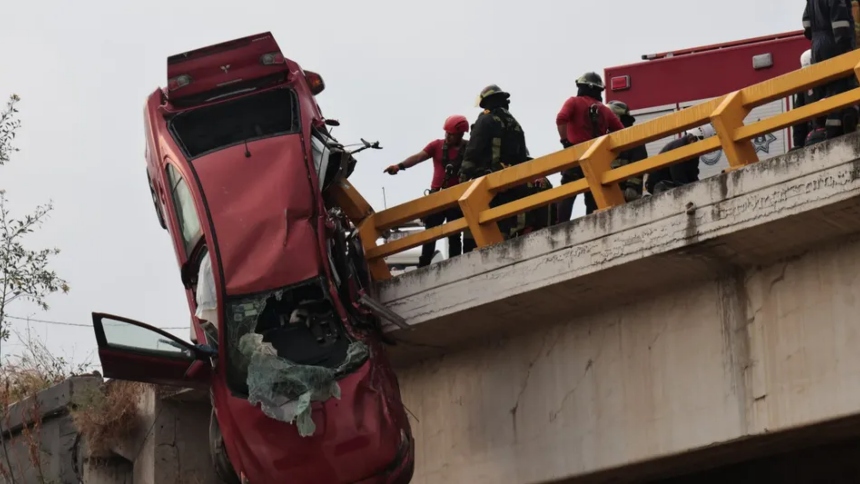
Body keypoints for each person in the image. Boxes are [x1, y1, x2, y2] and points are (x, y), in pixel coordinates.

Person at [384, 115, 470, 266]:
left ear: (461, 134)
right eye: (446, 133)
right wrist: (399, 166)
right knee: (430, 233)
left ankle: (456, 264)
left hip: (456, 199)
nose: (447, 136)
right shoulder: (436, 146)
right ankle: (424, 264)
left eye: (451, 134)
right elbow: (418, 157)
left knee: (455, 234)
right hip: (436, 196)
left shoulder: (469, 149)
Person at [458, 84, 533, 242]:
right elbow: (523, 156)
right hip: (513, 183)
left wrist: (464, 179)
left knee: (479, 227)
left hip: (489, 183)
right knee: (506, 225)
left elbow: (473, 151)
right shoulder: (515, 124)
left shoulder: (486, 119)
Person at [555, 72, 625, 222]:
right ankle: (593, 223)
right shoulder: (605, 110)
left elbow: (561, 119)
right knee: (593, 194)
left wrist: (565, 142)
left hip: (575, 156)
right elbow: (621, 132)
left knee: (568, 192)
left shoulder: (573, 102)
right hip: (596, 158)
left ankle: (559, 226)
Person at [803, 0, 858, 140]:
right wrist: (846, 48)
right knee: (841, 90)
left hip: (817, 46)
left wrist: (817, 38)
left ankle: (828, 132)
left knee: (827, 93)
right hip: (833, 43)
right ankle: (838, 134)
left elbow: (806, 24)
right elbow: (840, 21)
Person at [645, 124, 716, 195]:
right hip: (659, 184)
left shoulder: (692, 150)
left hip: (670, 181)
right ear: (693, 139)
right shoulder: (678, 148)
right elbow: (678, 178)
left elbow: (692, 175)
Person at [607, 100, 648, 201]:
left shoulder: (634, 137)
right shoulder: (607, 139)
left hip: (629, 195)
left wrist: (632, 186)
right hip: (611, 193)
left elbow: (638, 162)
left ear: (617, 117)